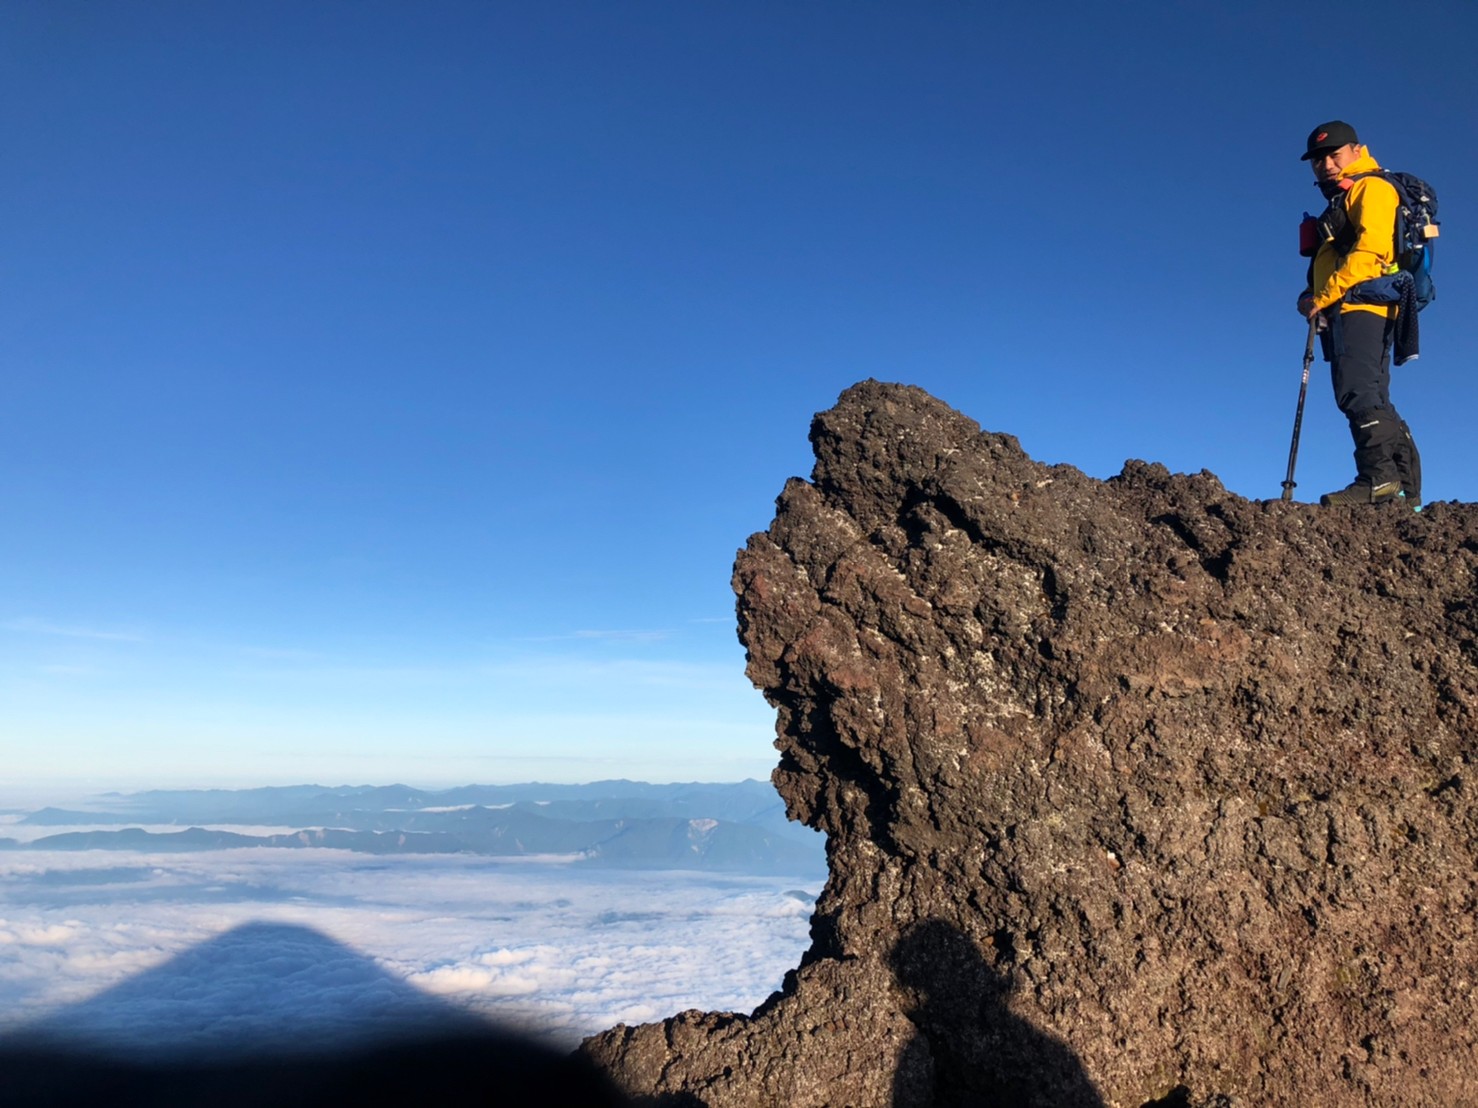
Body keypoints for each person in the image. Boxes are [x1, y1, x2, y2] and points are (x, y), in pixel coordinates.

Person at [1297, 120, 1422, 508]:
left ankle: (1379, 478)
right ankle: (1403, 490)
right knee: (1371, 393)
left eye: (1334, 154)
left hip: (1361, 304)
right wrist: (1311, 294)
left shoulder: (1373, 188)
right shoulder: (1342, 199)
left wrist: (1324, 296)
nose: (1326, 164)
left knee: (1357, 390)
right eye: (1318, 160)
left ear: (1356, 150)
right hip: (1350, 305)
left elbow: (1370, 253)